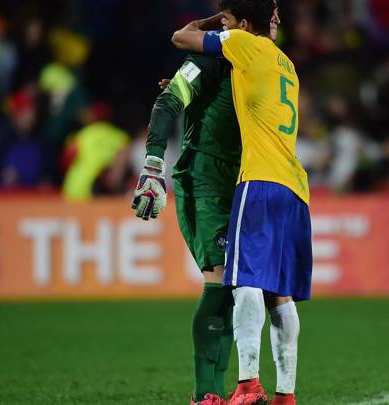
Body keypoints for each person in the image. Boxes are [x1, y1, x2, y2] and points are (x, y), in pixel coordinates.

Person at [131, 4, 282, 404]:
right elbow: (169, 102)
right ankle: (207, 395)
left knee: (237, 289)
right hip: (204, 180)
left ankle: (223, 391)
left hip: (243, 184)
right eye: (271, 15)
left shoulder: (267, 66)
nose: (278, 21)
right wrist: (152, 167)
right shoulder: (209, 60)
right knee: (221, 280)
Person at [172, 1, 312, 404]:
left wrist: (215, 22)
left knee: (245, 279)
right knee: (280, 294)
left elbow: (181, 37)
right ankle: (287, 395)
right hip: (295, 187)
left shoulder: (243, 44)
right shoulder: (287, 64)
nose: (226, 25)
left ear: (242, 24)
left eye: (231, 19)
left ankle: (248, 385)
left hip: (260, 179)